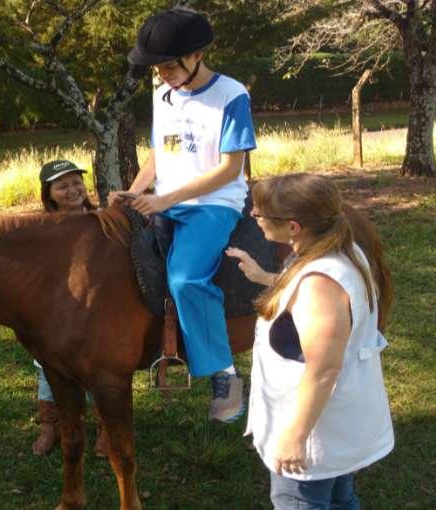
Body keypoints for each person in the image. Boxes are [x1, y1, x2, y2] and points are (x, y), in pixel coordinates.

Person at [112, 8, 257, 422]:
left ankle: (226, 376)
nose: (163, 74)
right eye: (157, 68)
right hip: (165, 198)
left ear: (197, 55)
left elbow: (231, 169)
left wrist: (166, 199)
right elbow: (161, 153)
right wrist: (135, 191)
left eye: (170, 65)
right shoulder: (162, 95)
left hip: (213, 204)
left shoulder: (231, 95)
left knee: (185, 278)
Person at [226, 173, 394, 509]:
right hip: (334, 425)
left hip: (316, 433)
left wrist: (295, 436)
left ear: (293, 227)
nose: (254, 218)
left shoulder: (320, 282)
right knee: (340, 499)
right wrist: (266, 278)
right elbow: (317, 303)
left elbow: (324, 370)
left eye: (260, 214)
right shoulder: (340, 253)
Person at [32, 159, 110, 458]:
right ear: (49, 193)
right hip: (57, 312)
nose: (72, 189)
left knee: (97, 368)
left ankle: (104, 425)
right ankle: (51, 425)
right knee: (47, 369)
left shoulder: (100, 220)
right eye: (62, 186)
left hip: (96, 308)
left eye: (76, 182)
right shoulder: (41, 230)